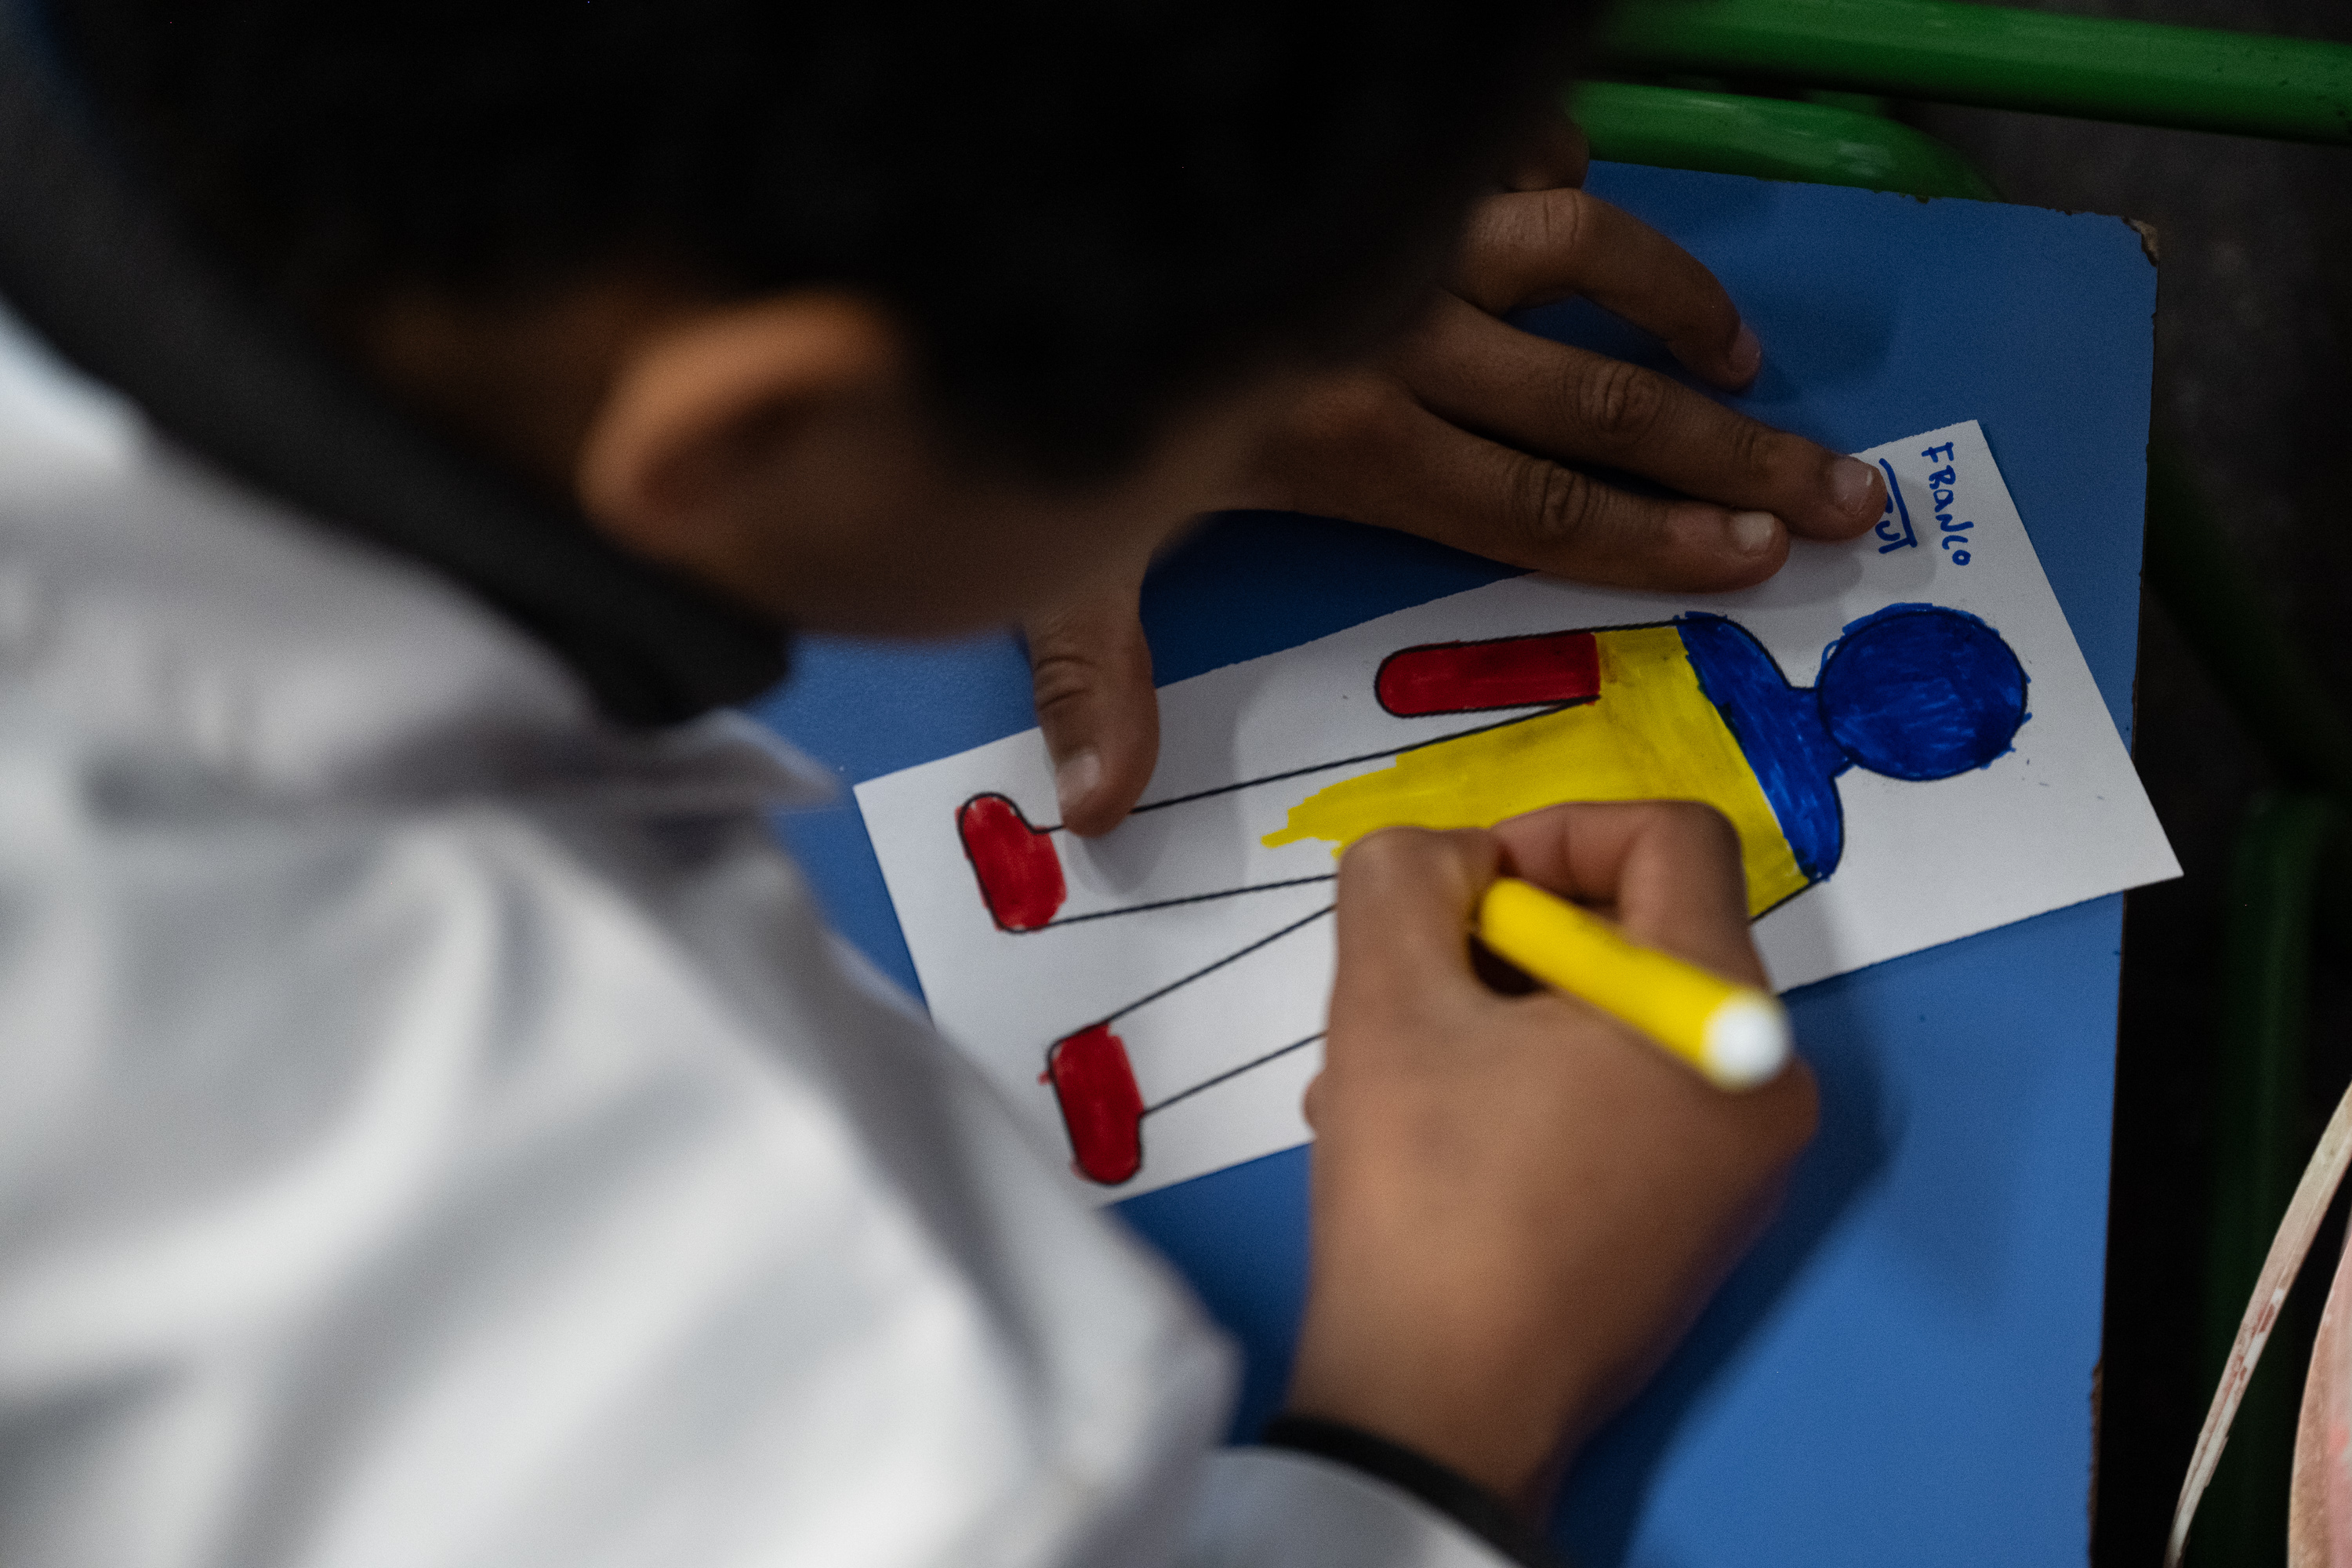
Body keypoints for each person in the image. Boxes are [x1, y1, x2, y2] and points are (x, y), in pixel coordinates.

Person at [0, 4, 1846, 1563]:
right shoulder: (875, 1384)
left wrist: (1079, 364)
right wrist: (1432, 1420)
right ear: (770, 433)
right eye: (1279, 370)